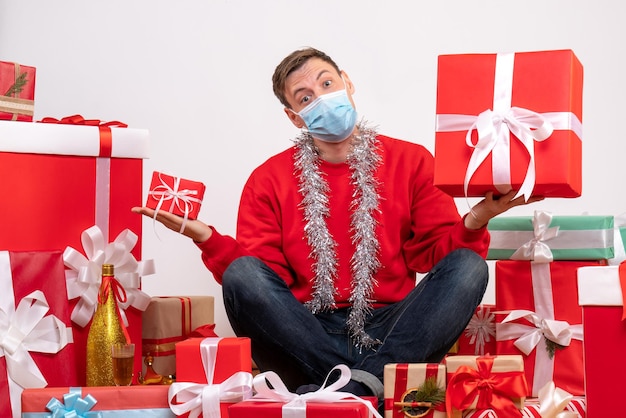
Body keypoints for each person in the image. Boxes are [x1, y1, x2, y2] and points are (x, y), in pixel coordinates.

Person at [132, 47, 542, 403]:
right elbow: (263, 284)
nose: (322, 99)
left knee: (469, 267)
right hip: (306, 331)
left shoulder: (413, 161)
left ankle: (345, 394)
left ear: (347, 81)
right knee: (241, 274)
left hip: (392, 327)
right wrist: (206, 238)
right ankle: (371, 387)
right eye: (306, 97)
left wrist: (479, 217)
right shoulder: (268, 179)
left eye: (327, 84)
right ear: (295, 117)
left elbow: (433, 254)